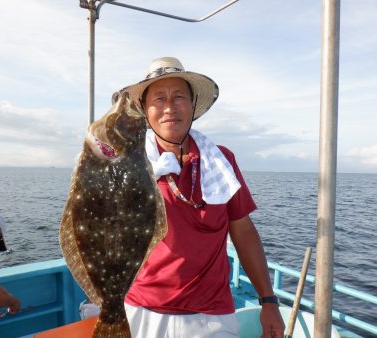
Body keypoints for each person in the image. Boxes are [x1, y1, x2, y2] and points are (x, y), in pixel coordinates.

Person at [114, 57, 286, 337]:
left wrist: (268, 300)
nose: (169, 107)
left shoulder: (221, 160)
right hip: (141, 310)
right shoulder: (127, 162)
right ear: (145, 110)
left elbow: (242, 230)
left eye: (179, 97)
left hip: (212, 315)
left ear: (193, 104)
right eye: (159, 98)